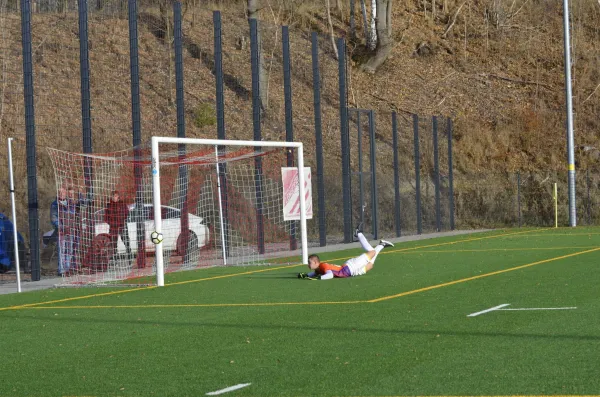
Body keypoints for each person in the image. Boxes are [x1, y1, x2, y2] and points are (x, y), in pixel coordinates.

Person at [298, 224, 394, 280]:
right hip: (350, 272)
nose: (308, 265)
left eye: (309, 262)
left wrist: (319, 278)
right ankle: (382, 244)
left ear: (315, 262)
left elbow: (330, 275)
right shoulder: (318, 269)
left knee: (372, 252)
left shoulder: (323, 266)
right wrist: (306, 275)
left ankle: (359, 234)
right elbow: (314, 274)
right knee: (370, 265)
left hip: (351, 267)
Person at [50, 187, 77, 275]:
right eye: (60, 193)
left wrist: (71, 226)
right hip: (61, 231)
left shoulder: (71, 203)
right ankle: (61, 270)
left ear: (66, 193)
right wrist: (61, 227)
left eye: (63, 192)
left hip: (70, 230)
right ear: (58, 194)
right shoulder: (55, 204)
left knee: (69, 250)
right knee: (61, 250)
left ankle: (67, 268)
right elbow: (54, 218)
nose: (62, 194)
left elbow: (73, 216)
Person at [104, 190, 132, 259]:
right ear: (111, 197)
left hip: (122, 226)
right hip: (113, 227)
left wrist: (123, 221)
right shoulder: (109, 205)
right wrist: (111, 223)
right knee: (113, 243)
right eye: (113, 196)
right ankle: (115, 258)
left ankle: (129, 256)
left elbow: (127, 213)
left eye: (115, 196)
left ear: (118, 196)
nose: (114, 197)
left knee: (126, 241)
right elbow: (106, 217)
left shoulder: (122, 204)